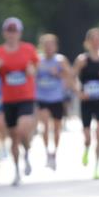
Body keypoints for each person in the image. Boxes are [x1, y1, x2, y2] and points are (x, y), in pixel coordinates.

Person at [0, 17, 39, 186]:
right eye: (9, 31)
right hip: (8, 99)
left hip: (25, 97)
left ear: (19, 33)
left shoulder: (28, 49)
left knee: (23, 130)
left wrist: (31, 70)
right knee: (13, 137)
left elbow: (36, 69)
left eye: (14, 31)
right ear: (4, 33)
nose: (11, 34)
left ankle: (27, 153)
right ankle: (17, 170)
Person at [74, 27, 99, 180]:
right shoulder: (82, 60)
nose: (96, 42)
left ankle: (96, 167)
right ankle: (86, 148)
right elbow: (73, 78)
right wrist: (79, 92)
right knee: (88, 136)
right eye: (93, 40)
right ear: (88, 42)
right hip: (86, 102)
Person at [35, 33, 72, 171]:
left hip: (57, 97)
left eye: (51, 45)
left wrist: (59, 74)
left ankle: (54, 153)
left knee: (56, 128)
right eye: (46, 45)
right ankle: (46, 152)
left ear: (55, 46)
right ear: (42, 47)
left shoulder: (60, 60)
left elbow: (70, 75)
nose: (48, 48)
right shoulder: (38, 60)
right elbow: (32, 75)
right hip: (42, 97)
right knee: (44, 126)